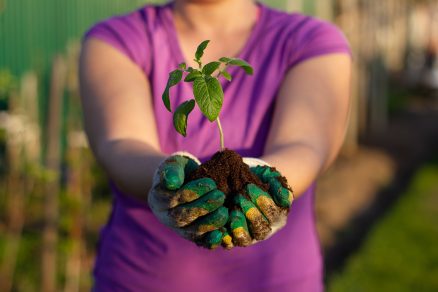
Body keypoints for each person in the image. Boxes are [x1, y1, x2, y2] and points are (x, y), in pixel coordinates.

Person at [79, 0, 351, 290]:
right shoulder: (120, 38)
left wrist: (258, 180)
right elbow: (120, 143)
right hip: (137, 279)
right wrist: (168, 180)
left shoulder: (310, 39)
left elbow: (306, 146)